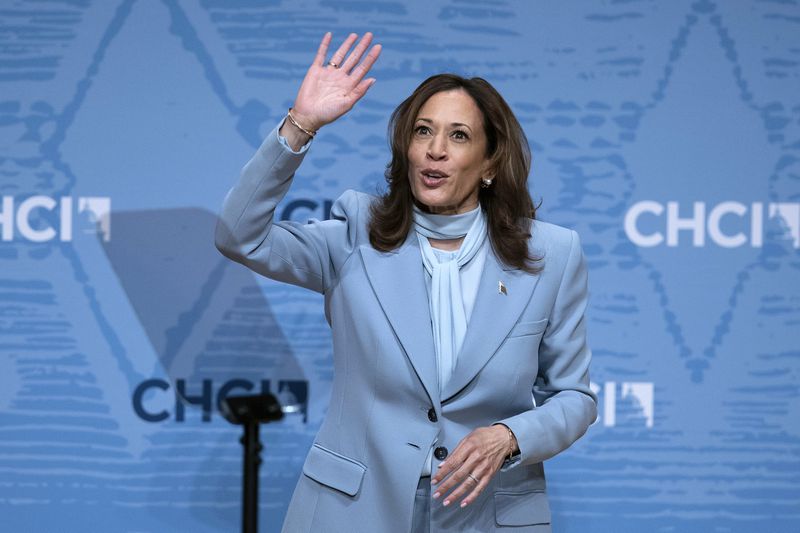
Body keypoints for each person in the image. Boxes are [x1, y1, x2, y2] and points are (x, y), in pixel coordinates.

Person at [215, 31, 597, 533]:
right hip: (352, 510)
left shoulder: (551, 254)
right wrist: (301, 124)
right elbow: (239, 236)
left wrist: (509, 434)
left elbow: (574, 397)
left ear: (488, 163)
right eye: (422, 131)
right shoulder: (356, 233)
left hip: (484, 512)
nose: (435, 150)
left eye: (458, 135)